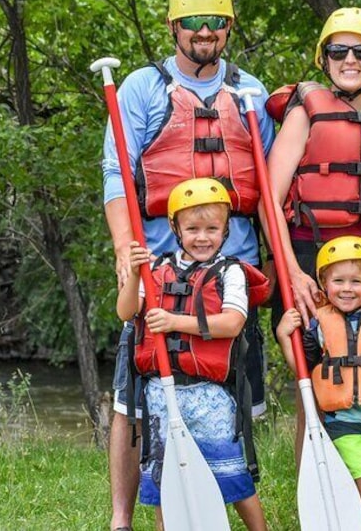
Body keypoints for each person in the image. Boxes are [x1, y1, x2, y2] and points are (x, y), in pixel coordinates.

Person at [99, 0, 275, 530]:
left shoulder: (251, 92)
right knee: (134, 406)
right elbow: (116, 176)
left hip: (231, 272)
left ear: (228, 28)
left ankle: (218, 509)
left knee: (231, 407)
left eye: (216, 22)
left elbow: (270, 186)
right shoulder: (142, 89)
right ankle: (122, 519)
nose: (206, 32)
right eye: (194, 22)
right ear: (174, 26)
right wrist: (127, 255)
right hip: (160, 273)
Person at [264, 6, 361, 458]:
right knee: (314, 379)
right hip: (312, 257)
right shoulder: (305, 113)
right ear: (324, 58)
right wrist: (292, 273)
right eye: (339, 50)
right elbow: (269, 200)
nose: (351, 59)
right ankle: (317, 491)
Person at [116, 178, 268, 530]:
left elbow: (231, 323)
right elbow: (126, 312)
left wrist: (173, 321)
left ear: (226, 229)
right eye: (193, 228)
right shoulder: (155, 270)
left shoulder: (230, 272)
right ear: (175, 228)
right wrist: (134, 275)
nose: (203, 237)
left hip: (209, 396)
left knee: (231, 473)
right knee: (164, 481)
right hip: (161, 394)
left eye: (212, 229)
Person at [275, 236, 361, 530]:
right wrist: (282, 336)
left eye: (356, 281)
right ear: (324, 283)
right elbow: (304, 372)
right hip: (343, 422)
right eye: (338, 281)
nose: (347, 289)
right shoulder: (319, 324)